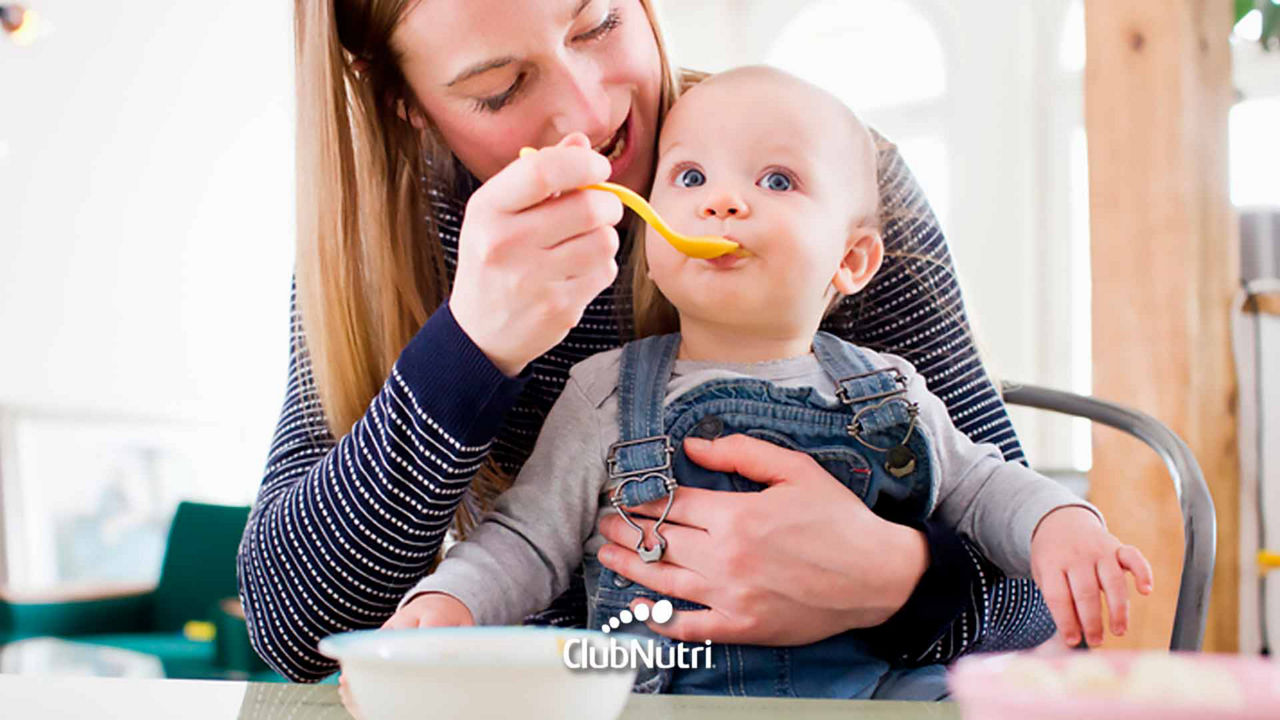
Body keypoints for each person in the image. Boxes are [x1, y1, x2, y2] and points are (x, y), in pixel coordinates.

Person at [238, 0, 1073, 684]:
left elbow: (1039, 606)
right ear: (405, 103)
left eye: (599, 23)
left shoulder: (828, 184)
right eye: (498, 88)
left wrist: (903, 582)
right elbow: (294, 626)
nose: (590, 112)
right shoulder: (387, 242)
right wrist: (469, 351)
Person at [382, 66, 1155, 700]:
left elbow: (989, 488)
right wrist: (450, 603)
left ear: (850, 262)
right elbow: (526, 542)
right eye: (690, 176)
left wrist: (1062, 527)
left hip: (873, 696)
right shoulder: (605, 394)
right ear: (649, 233)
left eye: (777, 180)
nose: (722, 200)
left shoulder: (892, 390)